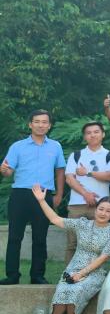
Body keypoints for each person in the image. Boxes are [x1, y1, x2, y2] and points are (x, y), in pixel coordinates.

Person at [31, 185, 110, 314]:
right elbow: (55, 219)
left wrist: (81, 274)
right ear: (95, 209)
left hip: (95, 272)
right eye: (101, 209)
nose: (103, 213)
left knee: (77, 289)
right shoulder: (82, 224)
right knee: (63, 288)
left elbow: (103, 257)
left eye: (108, 211)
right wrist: (42, 201)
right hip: (74, 267)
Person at [1, 110, 66, 285]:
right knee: (14, 237)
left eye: (44, 122)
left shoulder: (55, 146)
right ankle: (12, 275)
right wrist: (4, 170)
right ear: (30, 124)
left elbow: (60, 171)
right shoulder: (17, 146)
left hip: (44, 195)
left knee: (40, 237)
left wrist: (59, 194)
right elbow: (8, 171)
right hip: (20, 194)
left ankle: (37, 275)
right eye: (37, 121)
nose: (40, 125)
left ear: (49, 125)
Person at [63, 121, 110, 263]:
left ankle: (92, 274)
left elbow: (109, 176)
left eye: (96, 132)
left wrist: (88, 172)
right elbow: (69, 179)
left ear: (103, 134)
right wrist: (86, 194)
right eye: (89, 133)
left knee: (97, 244)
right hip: (77, 205)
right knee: (72, 244)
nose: (93, 135)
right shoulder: (76, 155)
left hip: (101, 206)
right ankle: (69, 274)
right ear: (85, 137)